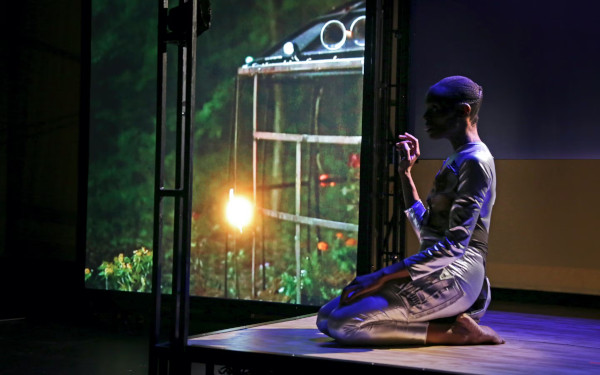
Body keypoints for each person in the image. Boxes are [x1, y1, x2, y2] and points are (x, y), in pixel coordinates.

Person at [316, 76, 504, 346]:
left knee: (343, 323)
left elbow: (454, 247)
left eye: (436, 110)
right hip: (437, 269)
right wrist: (405, 173)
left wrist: (380, 276)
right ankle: (439, 321)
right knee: (325, 316)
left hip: (459, 274)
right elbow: (428, 231)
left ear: (464, 111)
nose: (426, 117)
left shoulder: (475, 161)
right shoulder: (458, 158)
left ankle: (457, 334)